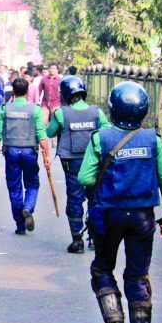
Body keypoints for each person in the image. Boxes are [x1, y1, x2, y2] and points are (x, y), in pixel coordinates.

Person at [78, 81, 162, 323]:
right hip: (143, 218)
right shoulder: (152, 140)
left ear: (113, 107)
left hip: (109, 215)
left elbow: (84, 178)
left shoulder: (101, 139)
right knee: (137, 275)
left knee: (103, 269)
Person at [46, 75, 110, 253]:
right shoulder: (97, 112)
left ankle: (77, 239)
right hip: (95, 163)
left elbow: (49, 132)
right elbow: (106, 133)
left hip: (72, 164)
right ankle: (94, 236)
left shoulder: (60, 113)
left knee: (75, 200)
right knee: (95, 199)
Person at [0, 78, 52, 235]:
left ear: (13, 91)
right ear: (28, 91)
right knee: (32, 184)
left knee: (14, 187)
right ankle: (28, 207)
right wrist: (46, 155)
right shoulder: (34, 110)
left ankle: (20, 225)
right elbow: (41, 134)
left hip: (11, 152)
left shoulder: (5, 109)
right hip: (30, 152)